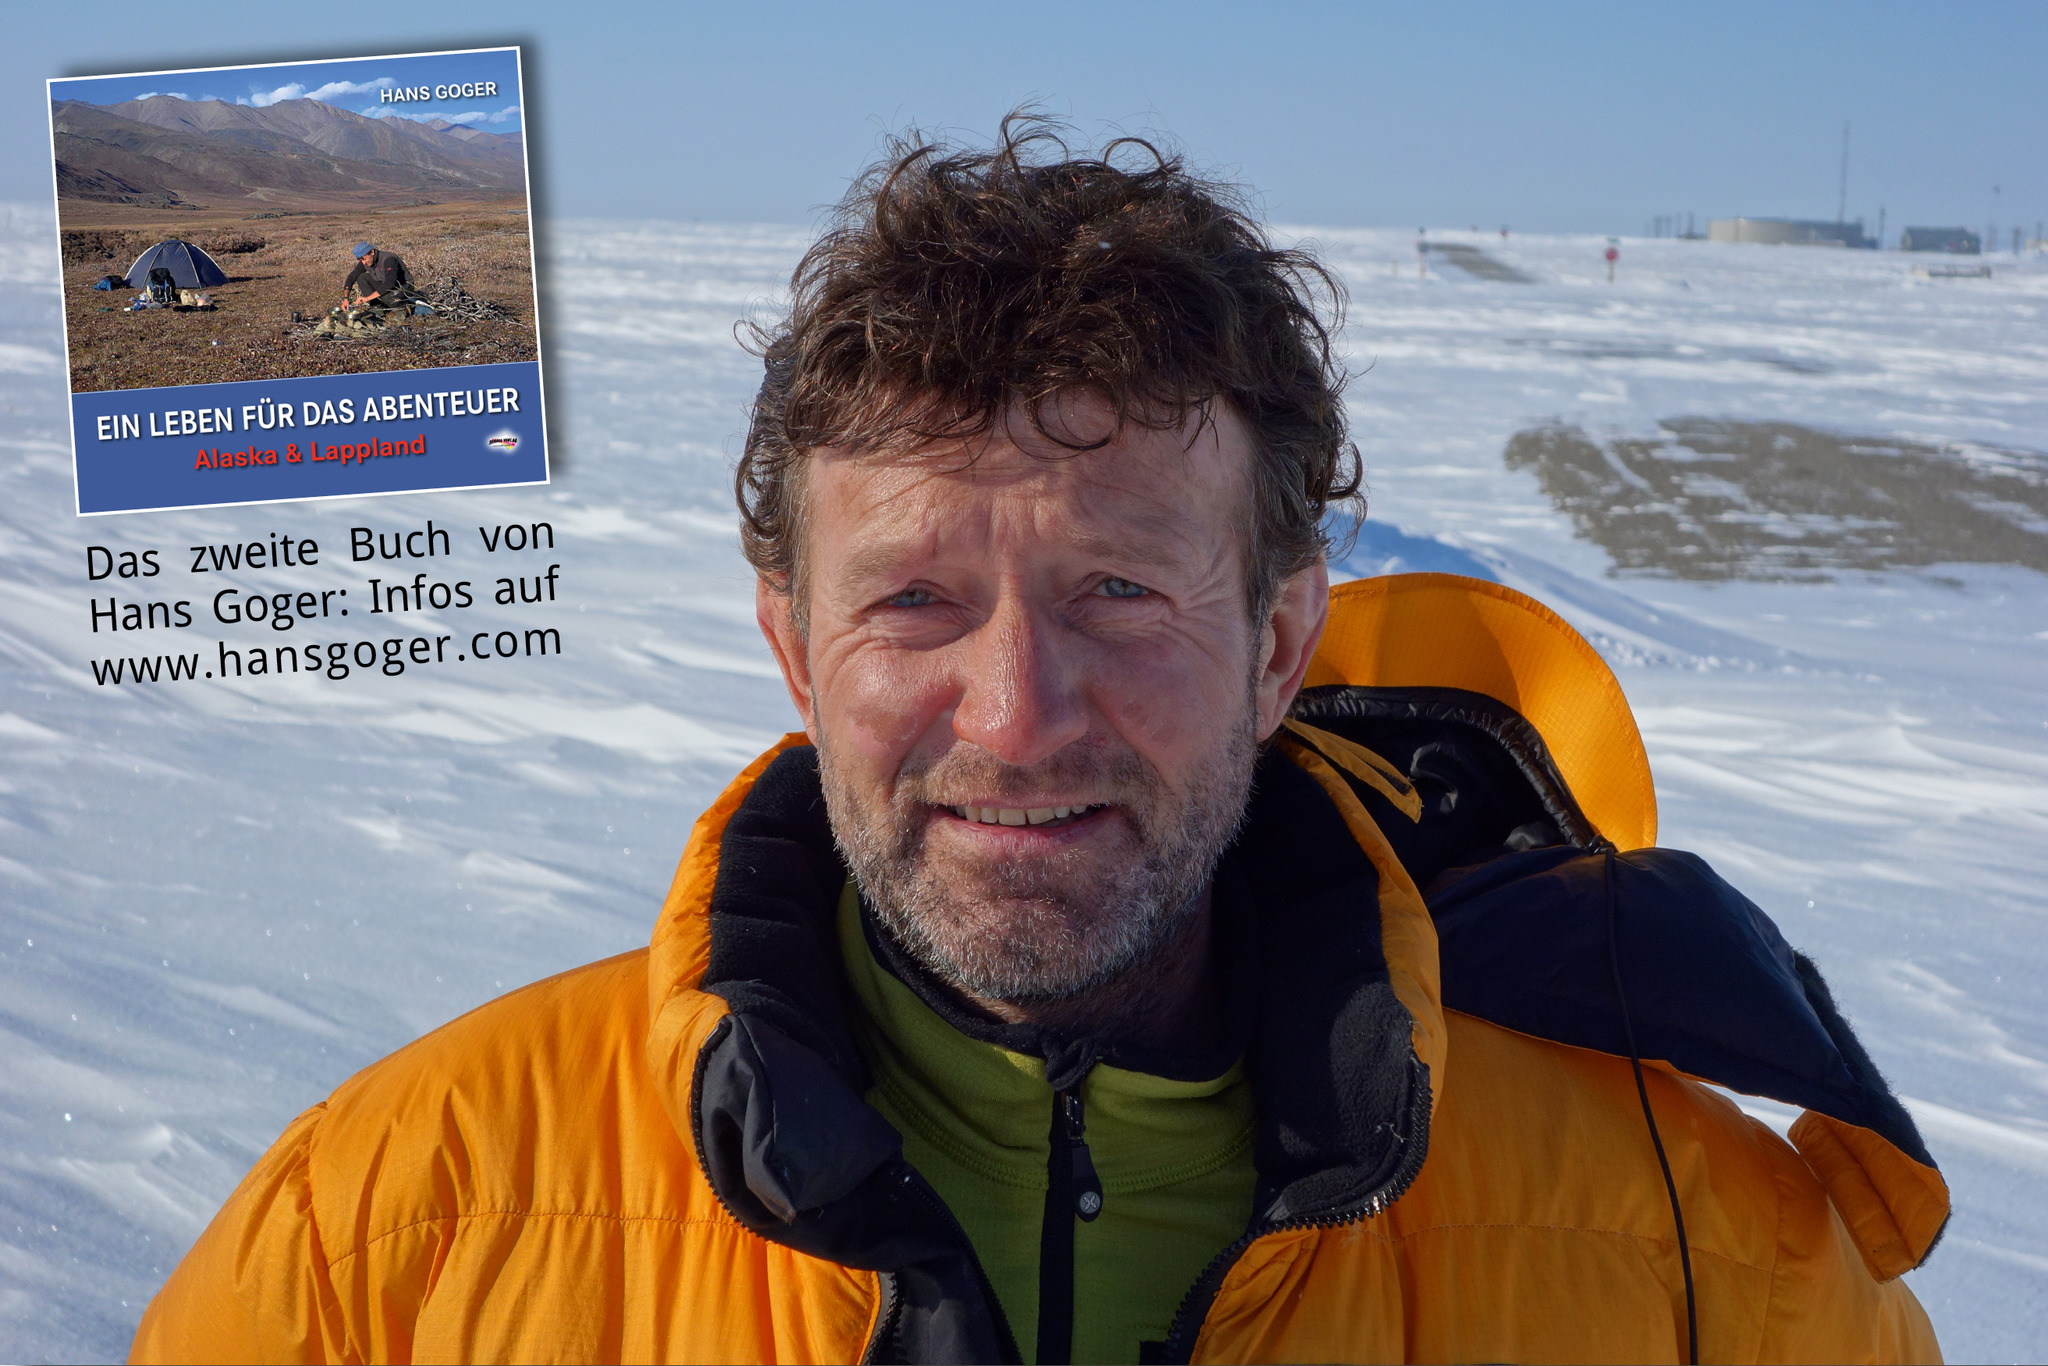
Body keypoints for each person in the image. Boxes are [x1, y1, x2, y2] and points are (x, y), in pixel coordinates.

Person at [130, 120, 1945, 1364]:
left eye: (1120, 596)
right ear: (791, 646)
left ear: (1278, 642)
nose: (1015, 718)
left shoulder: (1713, 1267)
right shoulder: (388, 1242)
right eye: (912, 603)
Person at [339, 240, 415, 316]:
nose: (363, 262)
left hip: (403, 287)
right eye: (360, 260)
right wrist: (346, 299)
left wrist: (368, 298)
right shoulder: (367, 260)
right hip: (386, 286)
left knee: (386, 297)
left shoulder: (388, 259)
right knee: (362, 277)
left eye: (364, 259)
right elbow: (352, 276)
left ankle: (404, 307)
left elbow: (390, 282)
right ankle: (377, 307)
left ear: (371, 252)